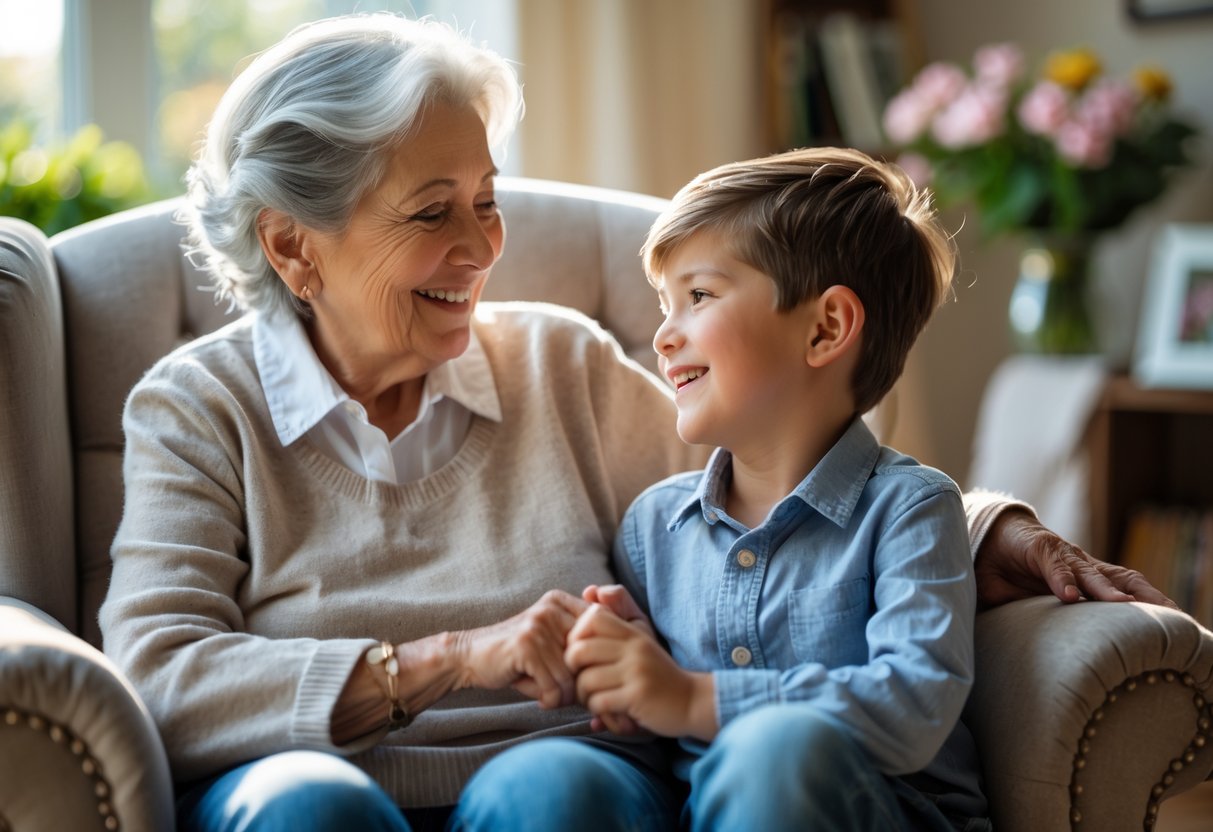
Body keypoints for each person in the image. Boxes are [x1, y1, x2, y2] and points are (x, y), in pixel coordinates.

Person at [97, 12, 1172, 832]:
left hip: (559, 772)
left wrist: (989, 529)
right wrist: (445, 660)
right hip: (309, 776)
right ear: (293, 247)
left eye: (486, 196)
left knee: (553, 788)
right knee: (302, 809)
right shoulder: (200, 409)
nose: (484, 245)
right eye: (433, 211)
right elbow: (157, 674)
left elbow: (778, 478)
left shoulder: (556, 363)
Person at [565, 147, 987, 831]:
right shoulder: (652, 526)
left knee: (774, 753)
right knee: (552, 780)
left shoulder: (909, 509)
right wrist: (619, 675)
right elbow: (652, 730)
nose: (664, 336)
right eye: (663, 305)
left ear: (824, 329)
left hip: (873, 810)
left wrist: (694, 699)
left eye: (697, 297)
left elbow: (911, 706)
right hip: (697, 808)